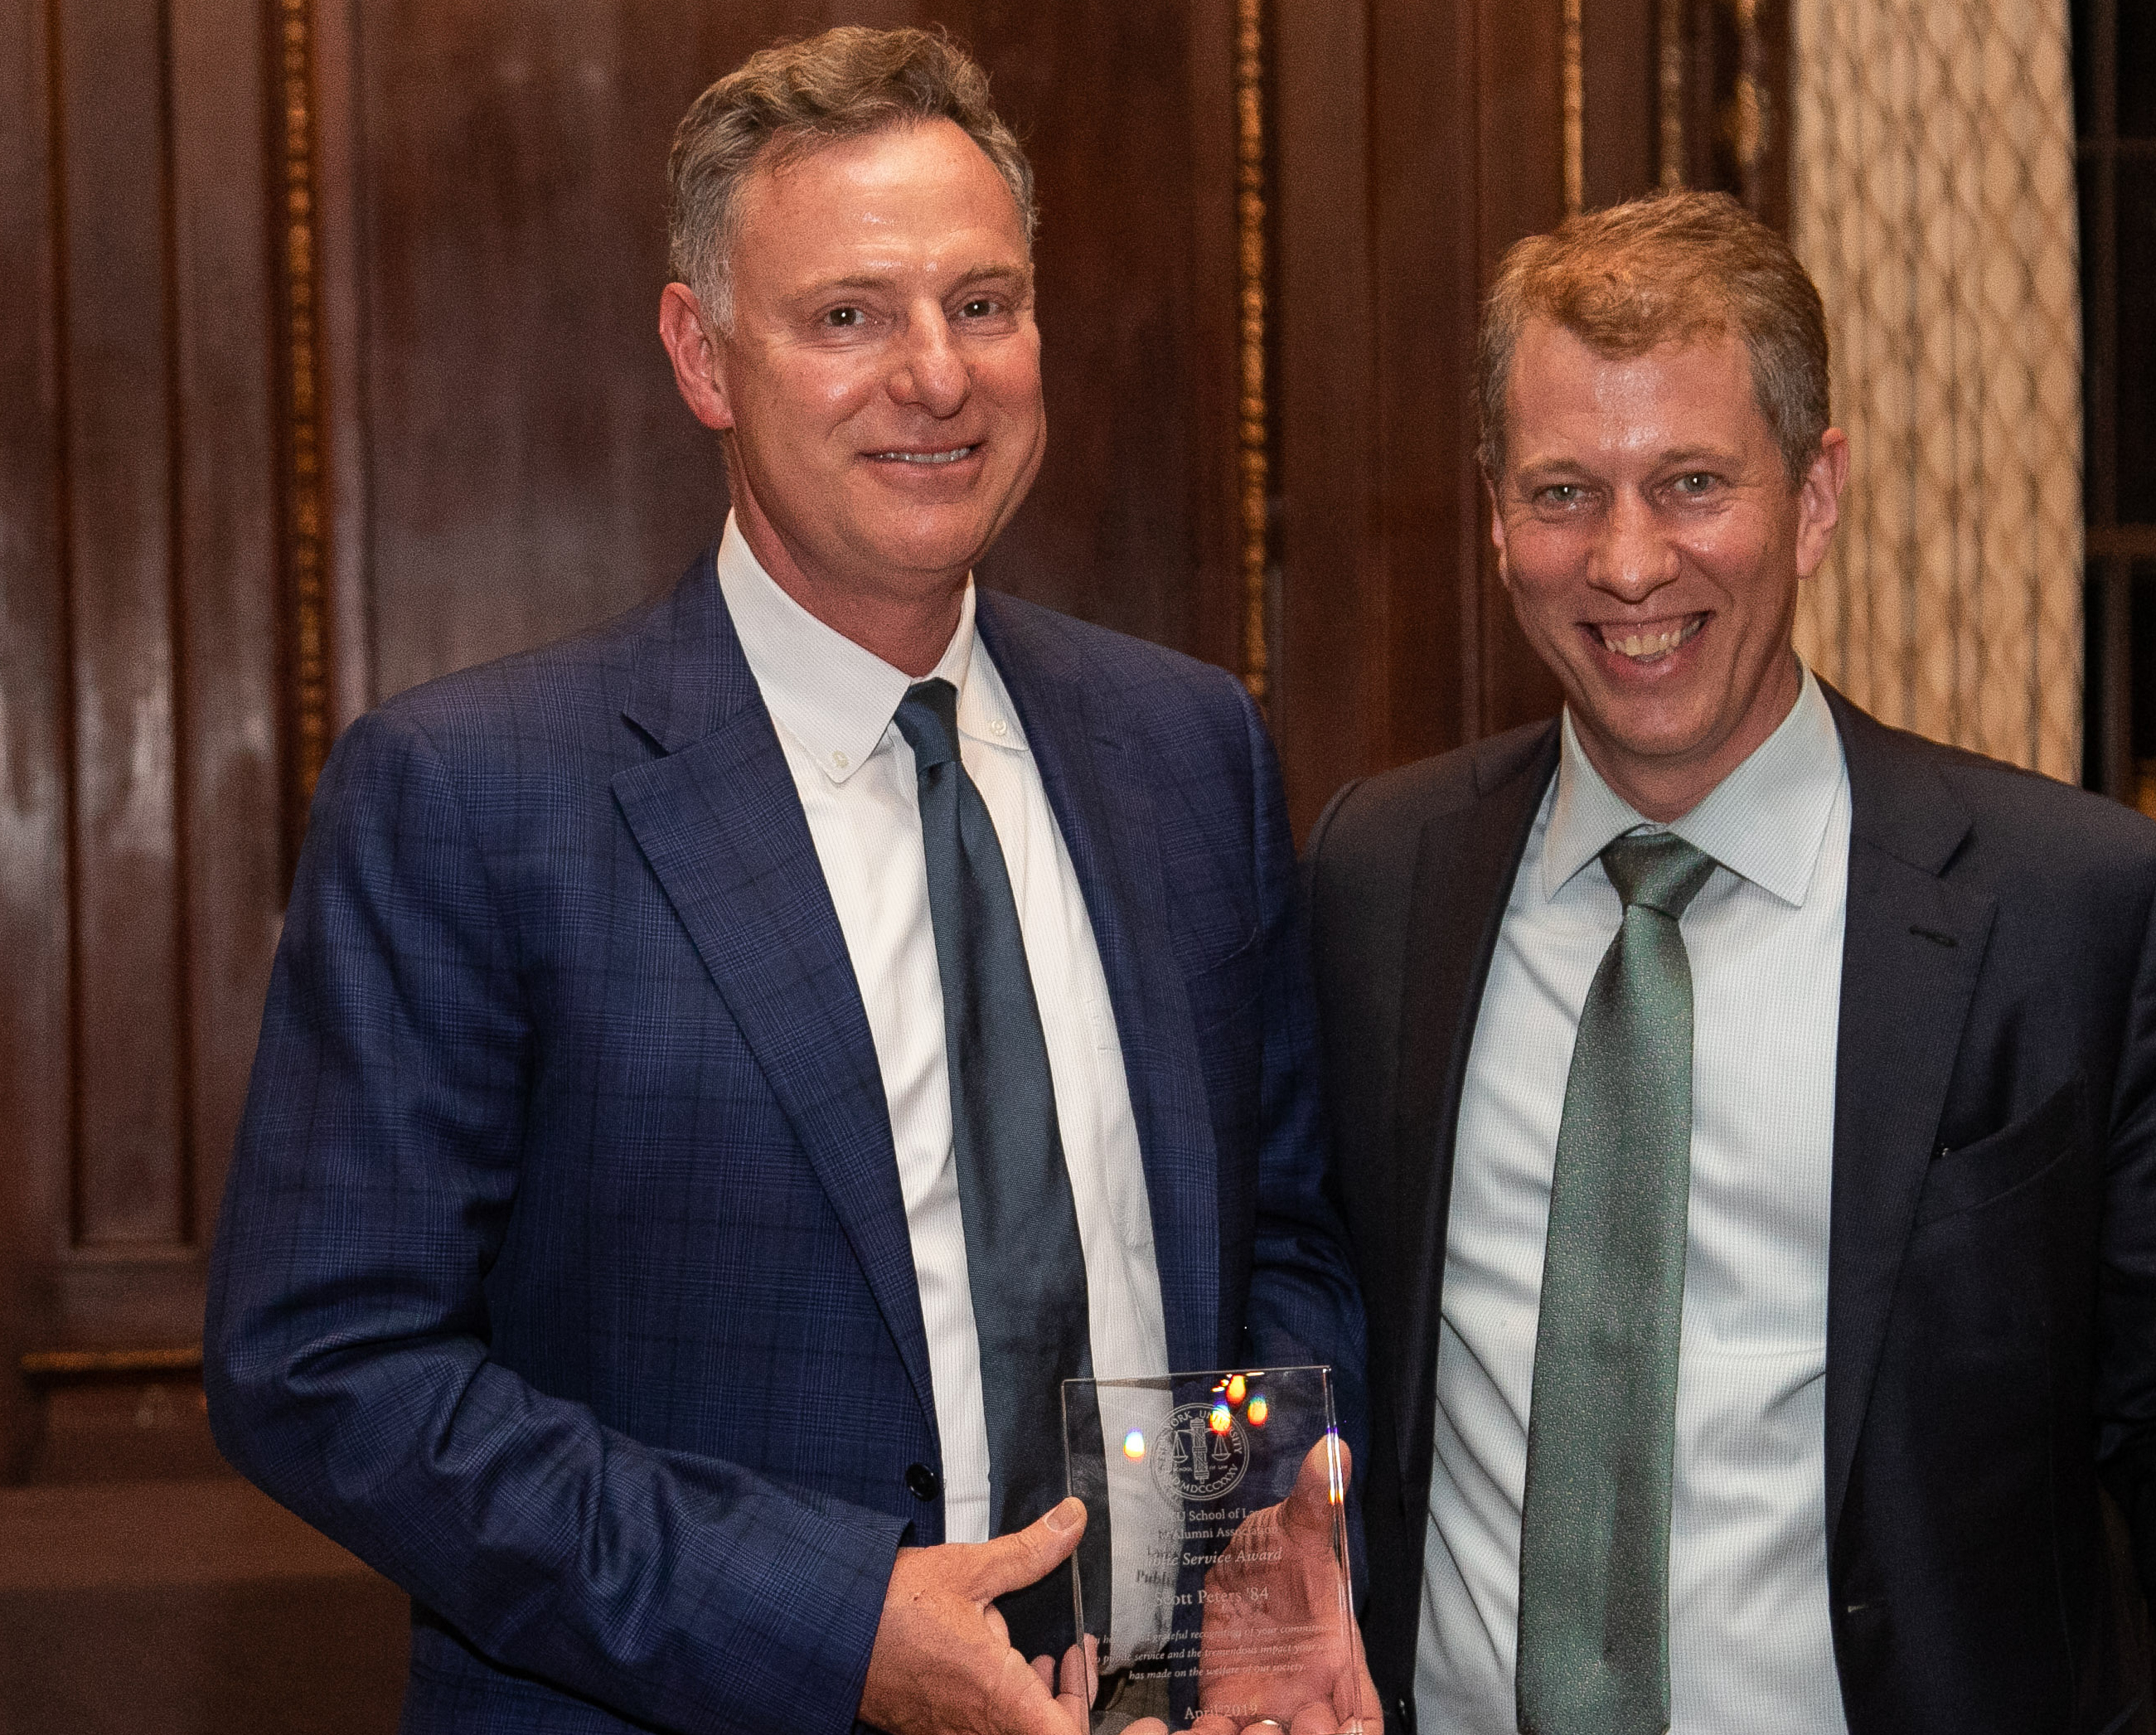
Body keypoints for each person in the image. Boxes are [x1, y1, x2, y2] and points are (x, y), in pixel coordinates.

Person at [204, 27, 1363, 1735]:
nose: (936, 376)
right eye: (849, 316)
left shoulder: (1188, 750)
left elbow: (1287, 1237)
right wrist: (827, 1622)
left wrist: (1276, 1536)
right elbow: (325, 1370)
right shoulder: (475, 796)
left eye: (984, 304)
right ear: (703, 353)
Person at [1305, 191, 2156, 1734]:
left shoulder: (2071, 913)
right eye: (1561, 490)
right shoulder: (1375, 880)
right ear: (1494, 512)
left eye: (1691, 483)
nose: (1626, 560)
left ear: (1814, 498)